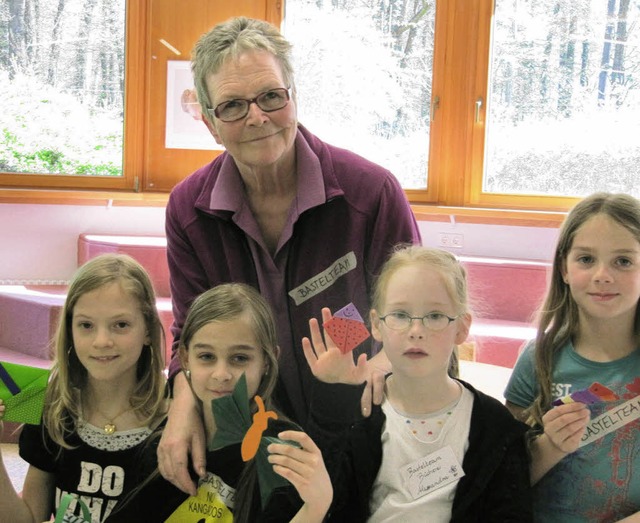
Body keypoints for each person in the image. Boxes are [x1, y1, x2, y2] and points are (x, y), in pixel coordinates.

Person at [161, 15, 421, 494]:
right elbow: (188, 331)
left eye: (271, 96)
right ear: (211, 124)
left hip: (363, 424)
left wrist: (389, 356)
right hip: (253, 437)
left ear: (294, 97)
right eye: (233, 106)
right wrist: (180, 405)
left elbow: (414, 311)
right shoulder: (187, 210)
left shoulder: (371, 193)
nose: (257, 116)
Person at [303, 245, 532, 522]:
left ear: (461, 327)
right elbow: (326, 500)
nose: (416, 331)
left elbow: (511, 512)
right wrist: (336, 390)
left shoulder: (494, 425)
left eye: (435, 316)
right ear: (376, 324)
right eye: (400, 315)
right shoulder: (360, 412)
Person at [107, 283, 332, 523]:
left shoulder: (283, 448)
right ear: (185, 358)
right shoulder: (167, 442)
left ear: (267, 361)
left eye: (239, 358)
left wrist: (315, 507)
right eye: (206, 356)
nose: (221, 374)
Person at [0, 254, 167, 523]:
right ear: (70, 329)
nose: (102, 341)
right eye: (86, 325)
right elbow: (26, 517)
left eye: (121, 325)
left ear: (147, 329)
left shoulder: (176, 418)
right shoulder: (53, 411)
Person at [504, 192, 640, 522]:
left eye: (623, 261)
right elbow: (504, 479)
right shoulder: (538, 358)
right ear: (564, 268)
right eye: (586, 259)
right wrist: (550, 445)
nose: (603, 275)